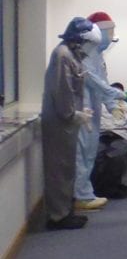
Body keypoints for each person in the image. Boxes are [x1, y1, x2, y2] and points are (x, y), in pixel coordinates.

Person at [41, 18, 101, 230]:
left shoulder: (72, 55)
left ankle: (66, 211)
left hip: (67, 121)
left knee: (68, 168)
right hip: (60, 122)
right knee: (59, 170)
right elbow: (62, 91)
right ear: (80, 39)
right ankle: (58, 217)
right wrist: (73, 114)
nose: (91, 48)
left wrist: (79, 112)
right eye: (90, 44)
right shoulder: (63, 56)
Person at [74, 12, 127, 212]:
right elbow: (94, 81)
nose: (112, 36)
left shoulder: (97, 56)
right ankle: (80, 196)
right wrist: (120, 95)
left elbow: (103, 83)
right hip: (82, 110)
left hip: (93, 110)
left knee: (89, 154)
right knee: (82, 155)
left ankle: (85, 194)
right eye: (110, 32)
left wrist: (112, 106)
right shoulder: (83, 54)